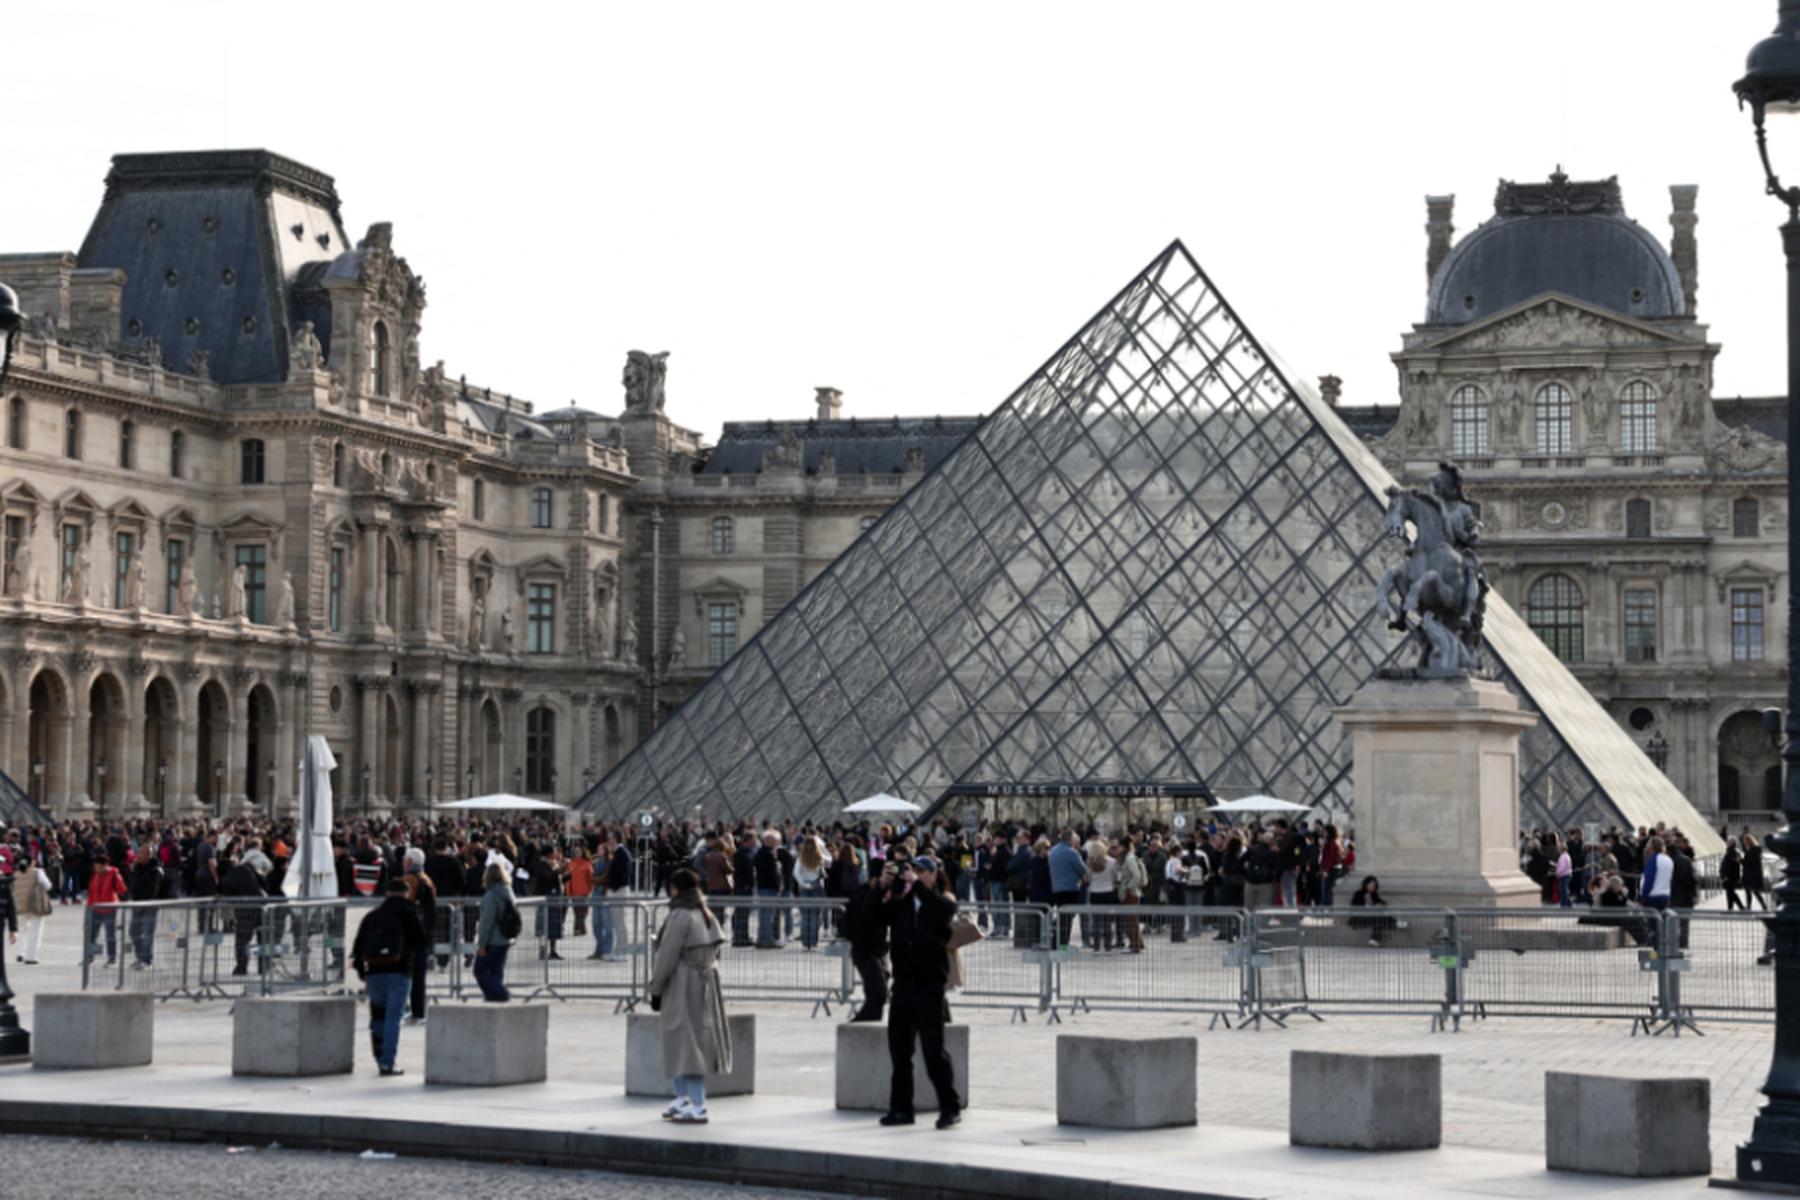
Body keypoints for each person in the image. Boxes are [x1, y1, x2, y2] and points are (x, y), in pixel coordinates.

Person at [877, 854, 961, 1130]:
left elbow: (942, 915)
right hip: (903, 984)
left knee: (933, 1051)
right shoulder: (901, 902)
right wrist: (885, 886)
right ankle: (901, 1108)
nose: (916, 874)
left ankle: (950, 1107)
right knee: (900, 1051)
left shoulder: (942, 900)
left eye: (924, 871)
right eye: (914, 870)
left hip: (929, 986)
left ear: (934, 875)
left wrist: (919, 888)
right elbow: (875, 916)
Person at [650, 868, 732, 1125]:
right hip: (704, 980)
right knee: (687, 1040)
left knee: (686, 1043)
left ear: (676, 889)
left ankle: (696, 1104)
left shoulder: (680, 915)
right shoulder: (704, 913)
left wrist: (656, 988)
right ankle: (682, 1097)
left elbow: (667, 955)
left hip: (683, 983)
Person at [353, 877, 428, 1076]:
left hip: (375, 972)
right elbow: (421, 942)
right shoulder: (409, 914)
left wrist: (363, 972)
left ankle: (379, 1057)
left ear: (386, 893)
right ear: (407, 893)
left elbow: (358, 945)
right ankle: (387, 1062)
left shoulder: (373, 915)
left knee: (377, 1017)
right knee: (393, 1019)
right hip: (400, 972)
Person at [845, 856, 893, 1022]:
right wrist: (879, 888)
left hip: (878, 951)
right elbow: (868, 913)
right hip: (864, 951)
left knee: (878, 993)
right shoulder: (863, 893)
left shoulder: (883, 893)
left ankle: (869, 1024)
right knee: (878, 993)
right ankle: (860, 1026)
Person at [401, 847, 438, 1023]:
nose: (402, 863)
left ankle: (410, 1009)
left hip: (410, 933)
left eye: (404, 860)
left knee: (406, 973)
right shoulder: (427, 880)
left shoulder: (409, 880)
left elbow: (401, 902)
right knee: (418, 975)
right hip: (424, 933)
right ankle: (418, 1011)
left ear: (410, 862)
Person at [473, 861, 519, 1002]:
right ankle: (493, 997)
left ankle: (501, 994)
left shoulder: (491, 896)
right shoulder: (508, 892)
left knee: (480, 970)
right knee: (496, 970)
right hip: (505, 938)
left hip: (493, 939)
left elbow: (487, 922)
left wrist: (481, 944)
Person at [85, 853, 129, 966]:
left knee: (110, 935)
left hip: (110, 909)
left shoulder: (113, 874)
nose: (95, 868)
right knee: (92, 934)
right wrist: (89, 908)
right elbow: (91, 892)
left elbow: (122, 890)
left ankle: (112, 957)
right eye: (95, 866)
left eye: (97, 866)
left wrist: (117, 880)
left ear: (104, 865)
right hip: (95, 909)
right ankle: (90, 956)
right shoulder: (95, 875)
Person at [127, 848, 169, 968]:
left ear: (149, 855)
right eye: (138, 853)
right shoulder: (137, 867)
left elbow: (153, 890)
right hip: (137, 905)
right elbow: (133, 885)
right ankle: (141, 957)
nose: (138, 855)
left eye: (141, 853)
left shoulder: (155, 870)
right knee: (133, 932)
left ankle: (146, 960)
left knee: (147, 932)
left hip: (150, 906)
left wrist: (143, 904)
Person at [1048, 830, 1087, 950]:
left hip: (1056, 888)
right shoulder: (1072, 852)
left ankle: (1054, 942)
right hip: (1070, 889)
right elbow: (1082, 869)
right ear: (1070, 839)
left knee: (1061, 917)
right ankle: (1063, 946)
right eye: (1075, 839)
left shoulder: (1053, 851)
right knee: (1066, 920)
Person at [12, 851, 52, 964]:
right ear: (32, 862)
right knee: (35, 931)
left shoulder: (16, 874)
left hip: (20, 906)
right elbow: (48, 885)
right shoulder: (37, 872)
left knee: (21, 930)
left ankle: (19, 953)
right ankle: (31, 956)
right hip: (35, 905)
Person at [794, 834, 832, 950]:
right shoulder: (820, 857)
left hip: (805, 887)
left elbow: (795, 873)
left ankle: (806, 942)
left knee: (805, 916)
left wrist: (803, 884)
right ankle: (814, 941)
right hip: (817, 886)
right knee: (816, 916)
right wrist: (823, 847)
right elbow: (830, 861)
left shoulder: (801, 858)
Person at [1348, 875, 1393, 946]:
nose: (1372, 887)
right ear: (1366, 884)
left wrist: (1381, 904)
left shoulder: (1374, 895)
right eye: (1370, 885)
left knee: (1380, 919)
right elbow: (1355, 906)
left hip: (1371, 917)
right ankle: (1394, 923)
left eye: (1374, 885)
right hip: (1360, 918)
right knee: (1380, 919)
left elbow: (1380, 901)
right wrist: (1370, 907)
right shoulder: (1359, 894)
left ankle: (1374, 939)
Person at [1639, 836, 1674, 912]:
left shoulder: (1654, 859)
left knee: (1652, 922)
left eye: (1648, 844)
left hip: (1652, 896)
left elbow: (1649, 879)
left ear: (1652, 846)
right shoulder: (1669, 859)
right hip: (1665, 895)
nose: (1646, 846)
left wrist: (1643, 897)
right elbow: (1670, 880)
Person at [1744, 833, 1770, 911]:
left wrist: (1740, 860)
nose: (1744, 843)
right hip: (1753, 873)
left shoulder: (1752, 850)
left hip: (1751, 874)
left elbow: (1749, 862)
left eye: (1745, 841)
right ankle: (1753, 906)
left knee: (1753, 891)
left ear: (1749, 841)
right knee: (1750, 890)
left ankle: (1761, 906)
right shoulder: (1755, 850)